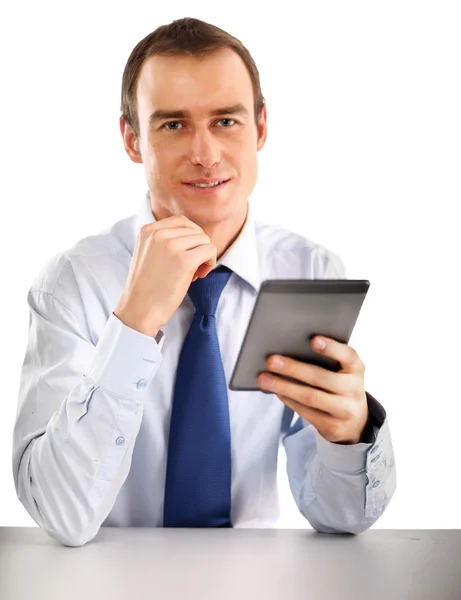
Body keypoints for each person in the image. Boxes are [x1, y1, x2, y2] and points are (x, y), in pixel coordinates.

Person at [12, 17, 396, 547]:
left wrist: (351, 434)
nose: (205, 153)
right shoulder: (72, 283)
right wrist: (134, 323)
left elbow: (340, 519)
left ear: (260, 128)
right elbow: (60, 514)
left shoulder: (309, 272)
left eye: (226, 122)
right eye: (172, 124)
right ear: (131, 139)